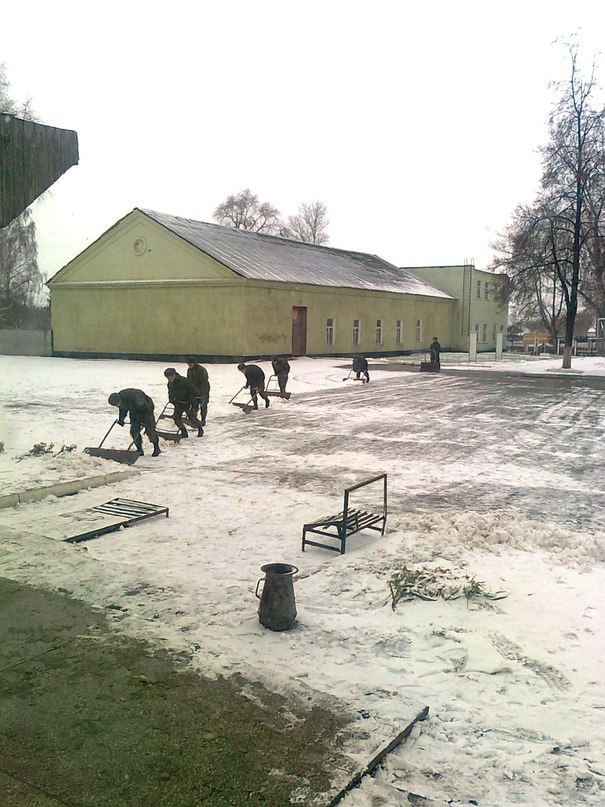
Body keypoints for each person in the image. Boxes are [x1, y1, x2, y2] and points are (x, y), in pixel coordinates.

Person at [108, 389, 161, 457]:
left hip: (146, 408)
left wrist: (145, 421)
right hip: (134, 410)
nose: (116, 406)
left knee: (150, 430)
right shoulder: (120, 399)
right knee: (134, 430)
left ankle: (156, 448)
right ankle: (139, 450)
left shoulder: (136, 398)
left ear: (119, 400)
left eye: (116, 404)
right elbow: (123, 409)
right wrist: (121, 419)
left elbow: (145, 407)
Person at [163, 368, 204, 437]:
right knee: (176, 418)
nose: (169, 380)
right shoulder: (170, 383)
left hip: (188, 403)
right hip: (178, 403)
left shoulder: (184, 381)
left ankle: (200, 429)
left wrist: (192, 402)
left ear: (174, 375)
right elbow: (170, 392)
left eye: (170, 378)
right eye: (167, 378)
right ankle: (184, 432)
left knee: (192, 418)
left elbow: (193, 391)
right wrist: (171, 399)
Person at [186, 357, 210, 426]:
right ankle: (194, 419)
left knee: (203, 405)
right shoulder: (189, 370)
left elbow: (204, 382)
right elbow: (188, 381)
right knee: (194, 404)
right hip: (194, 390)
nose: (189, 365)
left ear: (194, 363)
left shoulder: (201, 370)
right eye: (188, 364)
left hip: (203, 389)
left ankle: (203, 420)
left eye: (190, 364)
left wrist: (204, 394)